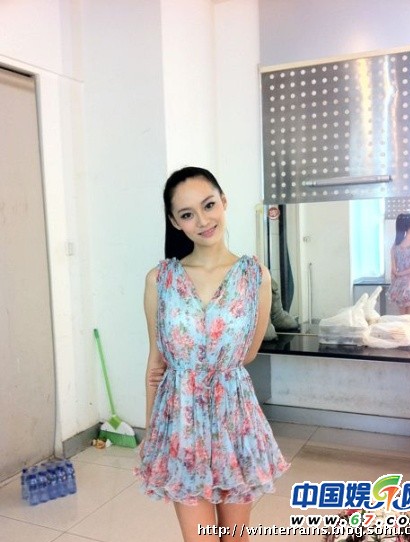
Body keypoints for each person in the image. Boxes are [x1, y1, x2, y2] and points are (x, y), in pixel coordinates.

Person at [135, 166, 290, 542]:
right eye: (187, 214)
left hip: (234, 422)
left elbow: (247, 354)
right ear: (175, 222)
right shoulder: (160, 280)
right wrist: (153, 435)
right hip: (181, 425)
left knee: (235, 538)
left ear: (224, 202)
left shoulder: (256, 277)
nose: (203, 221)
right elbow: (156, 364)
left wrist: (207, 360)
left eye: (208, 205)